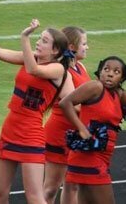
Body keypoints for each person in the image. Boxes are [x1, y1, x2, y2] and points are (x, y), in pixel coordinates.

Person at [0, 4, 74, 204]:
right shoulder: (31, 58)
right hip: (10, 129)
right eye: (39, 39)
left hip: (31, 135)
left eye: (44, 41)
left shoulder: (57, 69)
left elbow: (34, 71)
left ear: (56, 50)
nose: (39, 43)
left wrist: (24, 38)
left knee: (34, 197)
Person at [60, 56, 126, 204]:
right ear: (100, 72)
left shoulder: (118, 94)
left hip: (103, 156)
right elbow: (65, 103)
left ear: (122, 78)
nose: (110, 73)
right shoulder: (95, 87)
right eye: (106, 69)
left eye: (116, 71)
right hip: (89, 156)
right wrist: (81, 128)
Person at [43, 27, 91, 204]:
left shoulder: (81, 66)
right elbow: (75, 105)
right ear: (71, 46)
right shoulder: (61, 71)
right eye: (84, 44)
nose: (87, 47)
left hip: (76, 133)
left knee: (73, 185)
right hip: (60, 133)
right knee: (50, 189)